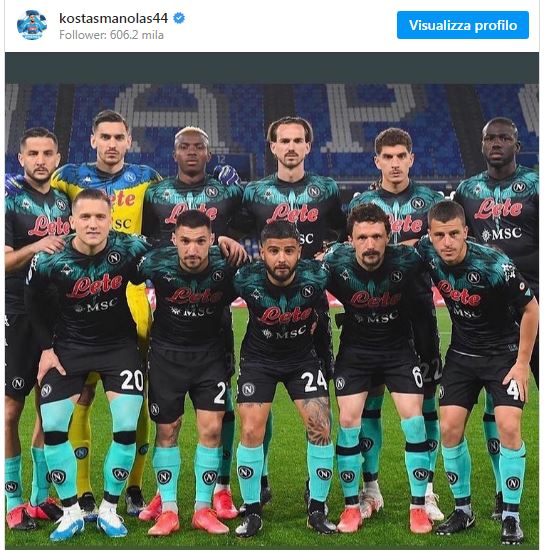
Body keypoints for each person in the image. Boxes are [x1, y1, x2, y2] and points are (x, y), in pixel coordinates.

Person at [50, 109, 161, 518]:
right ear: (93, 139)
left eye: (119, 137)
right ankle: (82, 491)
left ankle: (133, 487)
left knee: (136, 395)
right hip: (81, 291)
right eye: (105, 137)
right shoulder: (67, 176)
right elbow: (39, 197)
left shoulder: (148, 177)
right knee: (80, 393)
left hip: (131, 294)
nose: (112, 144)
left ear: (129, 141)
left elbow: (170, 216)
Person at [25, 189, 152, 540]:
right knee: (53, 427)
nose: (93, 224)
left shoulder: (131, 248)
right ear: (72, 221)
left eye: (100, 217)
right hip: (69, 348)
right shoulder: (49, 258)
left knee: (126, 425)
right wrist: (46, 349)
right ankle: (71, 512)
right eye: (85, 217)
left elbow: (172, 256)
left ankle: (109, 508)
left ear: (111, 220)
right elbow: (31, 300)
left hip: (119, 347)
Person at [237, 116, 346, 505]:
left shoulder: (326, 189)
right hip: (268, 303)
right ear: (273, 147)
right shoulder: (255, 193)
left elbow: (343, 232)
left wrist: (329, 253)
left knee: (319, 411)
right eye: (284, 141)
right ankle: (261, 478)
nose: (291, 147)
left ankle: (315, 488)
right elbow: (235, 231)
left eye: (298, 140)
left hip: (312, 309)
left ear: (308, 146)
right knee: (258, 412)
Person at [417, 200, 538, 544]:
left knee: (509, 427)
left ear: (466, 232)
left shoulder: (495, 265)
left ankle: (511, 516)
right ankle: (463, 511)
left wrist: (522, 364)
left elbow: (532, 310)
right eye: (440, 235)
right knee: (449, 428)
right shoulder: (427, 252)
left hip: (503, 357)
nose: (447, 242)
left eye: (454, 234)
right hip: (462, 357)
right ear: (431, 236)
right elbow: (403, 249)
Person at [139, 126, 245, 521]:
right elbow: (142, 240)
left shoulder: (226, 192)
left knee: (219, 414)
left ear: (208, 153)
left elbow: (249, 228)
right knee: (168, 423)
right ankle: (162, 495)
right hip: (169, 332)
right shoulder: (156, 194)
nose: (191, 152)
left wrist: (230, 239)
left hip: (214, 329)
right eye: (184, 147)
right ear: (174, 153)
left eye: (198, 147)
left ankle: (220, 489)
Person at [348, 128, 444, 521]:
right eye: (387, 157)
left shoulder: (433, 202)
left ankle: (428, 490)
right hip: (372, 317)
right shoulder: (362, 203)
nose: (394, 163)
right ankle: (371, 489)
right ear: (377, 161)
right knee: (369, 404)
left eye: (401, 155)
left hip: (418, 314)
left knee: (426, 405)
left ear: (411, 158)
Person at [325, 203, 439, 534]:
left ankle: (418, 506)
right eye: (362, 237)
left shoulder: (407, 259)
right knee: (348, 422)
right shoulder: (335, 263)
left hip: (398, 350)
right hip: (356, 352)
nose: (370, 244)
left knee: (414, 420)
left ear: (389, 237)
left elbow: (445, 247)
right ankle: (353, 505)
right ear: (350, 240)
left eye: (377, 236)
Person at [453, 117, 539, 520]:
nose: (497, 143)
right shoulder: (466, 191)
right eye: (491, 138)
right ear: (482, 144)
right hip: (488, 314)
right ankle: (503, 493)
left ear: (517, 145)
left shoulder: (535, 185)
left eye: (505, 137)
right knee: (496, 405)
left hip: (535, 302)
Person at [233, 220, 336, 537]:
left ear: (299, 252)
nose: (281, 258)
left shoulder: (317, 276)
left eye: (289, 251)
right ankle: (253, 511)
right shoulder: (245, 279)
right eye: (274, 251)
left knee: (320, 426)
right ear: (262, 252)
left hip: (301, 359)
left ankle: (316, 508)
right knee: (251, 428)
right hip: (258, 360)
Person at [5, 128, 69, 530]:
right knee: (10, 409)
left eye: (48, 153)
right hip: (15, 314)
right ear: (21, 159)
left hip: (57, 315)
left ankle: (39, 497)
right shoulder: (8, 200)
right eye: (33, 153)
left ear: (58, 158)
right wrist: (36, 246)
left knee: (50, 410)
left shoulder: (64, 202)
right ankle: (12, 502)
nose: (41, 160)